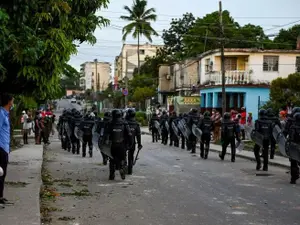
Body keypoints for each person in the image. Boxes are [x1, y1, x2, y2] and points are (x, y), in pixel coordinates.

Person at [107, 109, 133, 180]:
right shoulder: (124, 123)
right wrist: (130, 143)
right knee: (123, 159)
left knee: (111, 160)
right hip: (122, 145)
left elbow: (106, 134)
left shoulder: (110, 123)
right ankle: (122, 168)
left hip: (112, 145)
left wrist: (105, 144)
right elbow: (129, 134)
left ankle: (111, 175)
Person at [0, 93, 14, 206]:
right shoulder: (0, 113)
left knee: (3, 173)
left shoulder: (5, 114)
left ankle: (1, 196)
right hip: (1, 148)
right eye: (12, 101)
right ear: (9, 102)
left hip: (5, 148)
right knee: (0, 173)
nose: (13, 103)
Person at [125, 109, 142, 175]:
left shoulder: (124, 122)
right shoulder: (136, 124)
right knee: (131, 155)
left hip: (124, 142)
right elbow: (138, 135)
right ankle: (130, 169)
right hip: (132, 143)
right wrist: (139, 144)